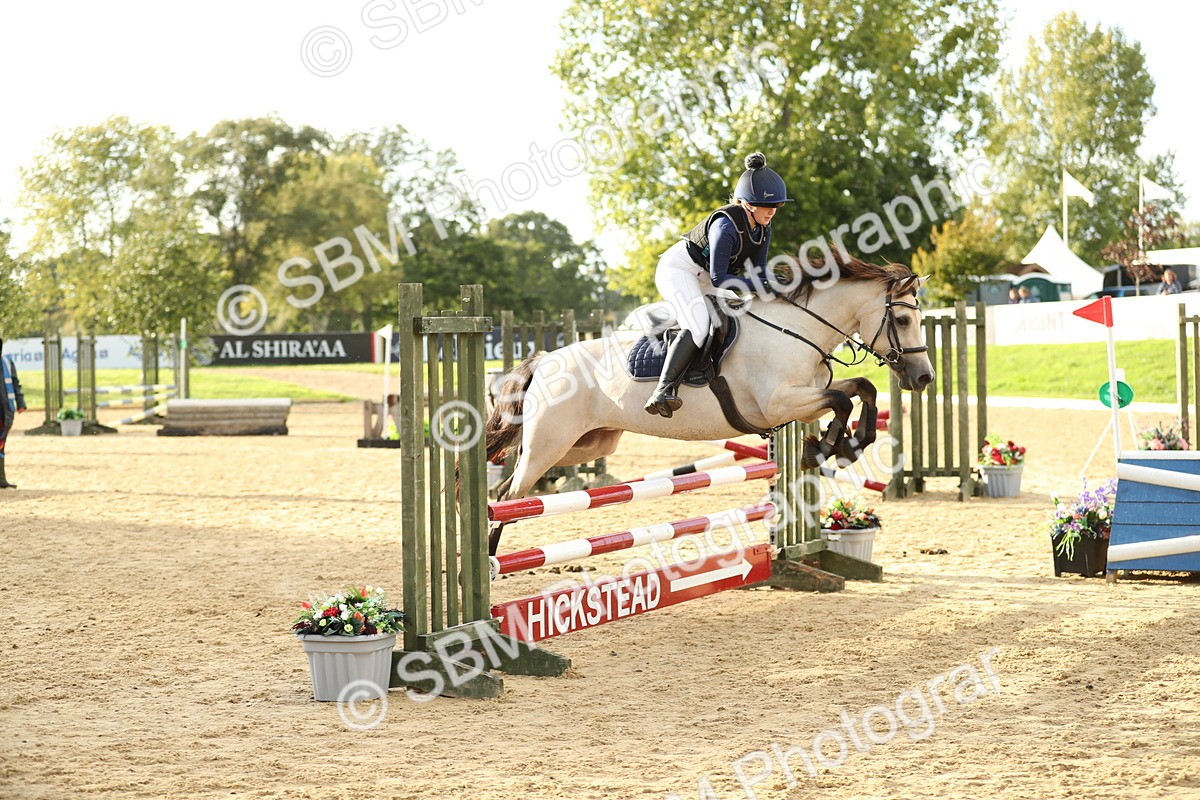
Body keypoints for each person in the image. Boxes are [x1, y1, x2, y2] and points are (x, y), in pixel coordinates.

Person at [644, 152, 790, 417]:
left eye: (777, 205)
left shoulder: (763, 228)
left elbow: (758, 272)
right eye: (765, 205)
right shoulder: (726, 226)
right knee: (699, 326)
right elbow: (719, 279)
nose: (772, 211)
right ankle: (662, 391)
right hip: (679, 270)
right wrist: (760, 285)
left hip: (706, 275)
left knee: (741, 315)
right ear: (747, 204)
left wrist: (779, 284)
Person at [0, 338, 27, 489]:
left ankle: (1, 479)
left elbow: (15, 383)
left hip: (5, 410)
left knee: (1, 444)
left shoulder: (7, 362)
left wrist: (20, 402)